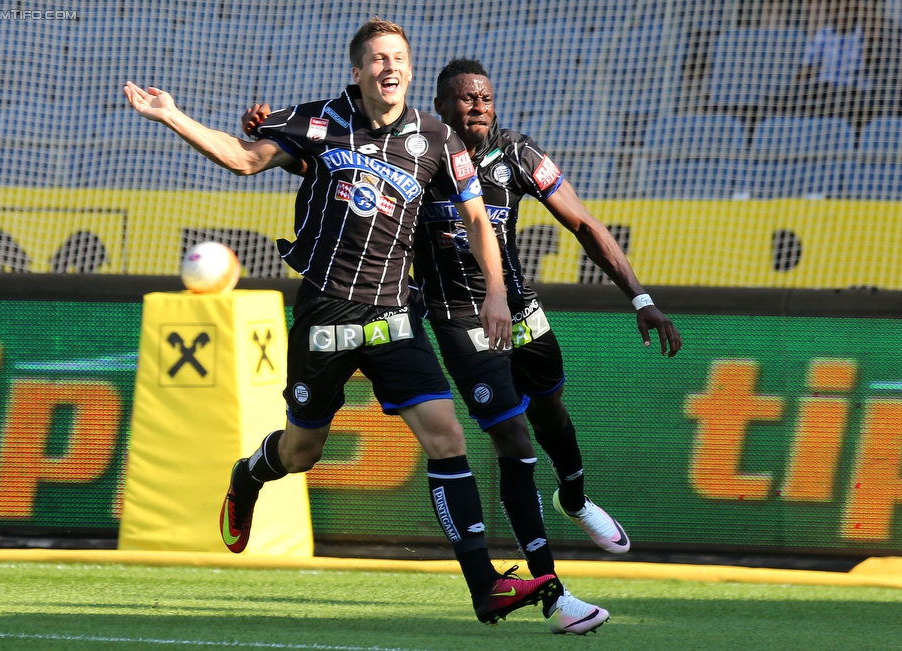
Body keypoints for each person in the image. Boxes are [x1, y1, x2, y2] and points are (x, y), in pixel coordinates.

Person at [124, 18, 568, 629]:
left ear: (409, 71)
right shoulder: (318, 121)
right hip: (326, 312)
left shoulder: (437, 138)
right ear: (357, 72)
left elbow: (476, 220)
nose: (391, 67)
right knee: (302, 451)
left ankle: (484, 586)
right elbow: (244, 159)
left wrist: (496, 293)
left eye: (400, 58)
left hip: (392, 312)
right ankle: (250, 473)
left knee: (448, 437)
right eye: (378, 59)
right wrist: (173, 115)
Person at [243, 58, 682, 635]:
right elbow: (319, 161)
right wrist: (269, 128)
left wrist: (639, 297)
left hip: (518, 308)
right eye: (466, 100)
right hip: (454, 318)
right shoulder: (416, 154)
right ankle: (551, 592)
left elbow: (584, 224)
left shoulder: (518, 154)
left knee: (551, 411)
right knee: (511, 436)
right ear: (442, 108)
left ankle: (575, 499)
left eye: (486, 99)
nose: (478, 108)